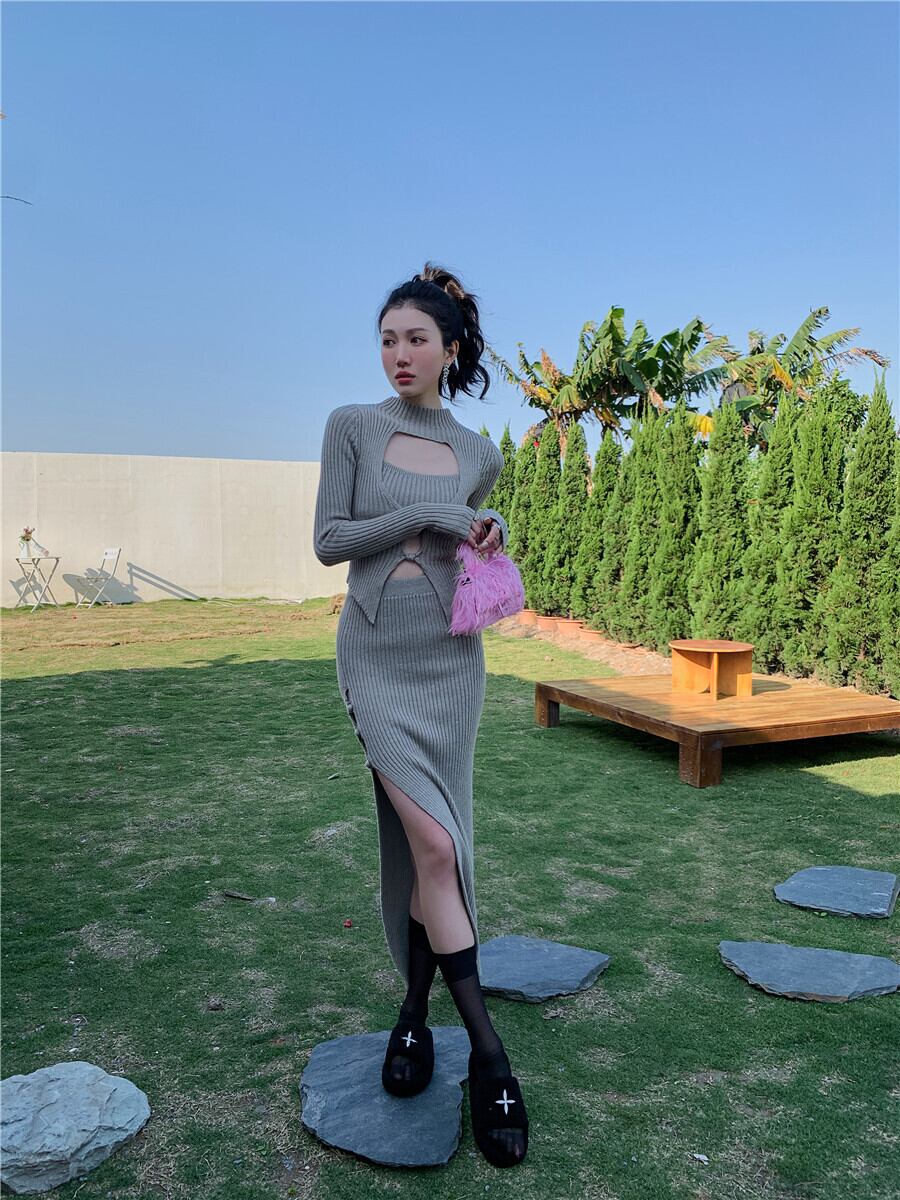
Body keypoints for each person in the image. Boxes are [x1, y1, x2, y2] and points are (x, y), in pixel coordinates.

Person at [313, 263, 528, 1168]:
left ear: (451, 349)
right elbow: (330, 541)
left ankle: (412, 1014)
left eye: (416, 340)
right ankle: (490, 1058)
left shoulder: (480, 452)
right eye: (387, 340)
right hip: (373, 659)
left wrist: (489, 526)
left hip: (450, 666)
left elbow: (465, 537)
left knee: (431, 849)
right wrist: (434, 514)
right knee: (435, 847)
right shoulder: (353, 426)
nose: (399, 354)